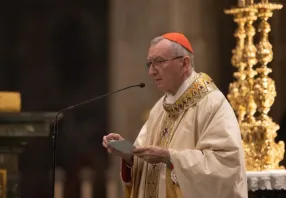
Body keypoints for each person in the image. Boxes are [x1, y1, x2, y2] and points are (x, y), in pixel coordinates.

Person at [102, 32, 248, 198]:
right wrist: (129, 155)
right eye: (149, 64)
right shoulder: (159, 109)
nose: (151, 71)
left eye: (159, 62)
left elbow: (226, 167)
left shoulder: (212, 104)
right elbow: (146, 164)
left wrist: (170, 157)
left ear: (184, 63)